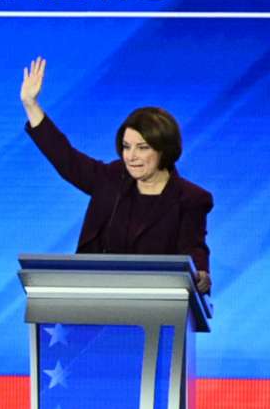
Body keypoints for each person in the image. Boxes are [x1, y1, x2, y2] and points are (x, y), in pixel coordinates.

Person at [17, 57, 212, 290]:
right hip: (94, 297)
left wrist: (201, 274)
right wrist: (31, 105)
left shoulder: (190, 199)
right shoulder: (112, 178)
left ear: (164, 150)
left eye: (142, 148)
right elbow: (66, 158)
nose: (131, 156)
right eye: (126, 146)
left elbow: (194, 248)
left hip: (155, 309)